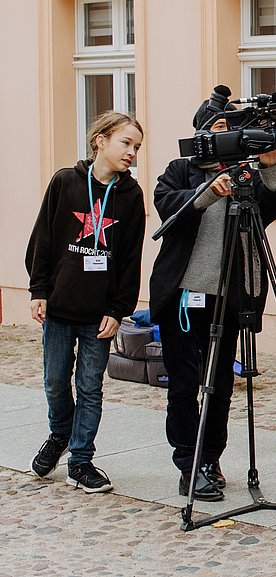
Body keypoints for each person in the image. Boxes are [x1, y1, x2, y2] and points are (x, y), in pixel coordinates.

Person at [148, 90, 276, 501]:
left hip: (231, 295)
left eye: (231, 127)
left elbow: (274, 204)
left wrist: (270, 165)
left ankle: (211, 457)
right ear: (201, 132)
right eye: (217, 127)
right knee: (185, 383)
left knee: (221, 383)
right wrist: (211, 190)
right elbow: (167, 206)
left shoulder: (243, 170)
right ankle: (188, 462)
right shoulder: (180, 169)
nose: (226, 133)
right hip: (183, 296)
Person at [27, 111, 146, 493]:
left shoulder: (130, 195)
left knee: (90, 386)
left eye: (137, 147)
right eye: (126, 143)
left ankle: (81, 460)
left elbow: (130, 258)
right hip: (60, 308)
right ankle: (60, 433)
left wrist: (118, 310)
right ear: (100, 140)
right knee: (55, 382)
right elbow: (42, 240)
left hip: (99, 315)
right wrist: (38, 291)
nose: (132, 153)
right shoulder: (65, 182)